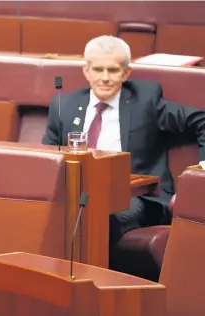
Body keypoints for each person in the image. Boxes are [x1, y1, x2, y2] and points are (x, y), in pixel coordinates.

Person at [42, 35, 205, 252]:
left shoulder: (145, 100)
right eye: (98, 70)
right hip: (79, 194)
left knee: (97, 218)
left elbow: (201, 120)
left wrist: (203, 168)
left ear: (126, 73)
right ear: (86, 71)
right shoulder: (64, 104)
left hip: (138, 197)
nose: (105, 78)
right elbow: (47, 154)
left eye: (113, 70)